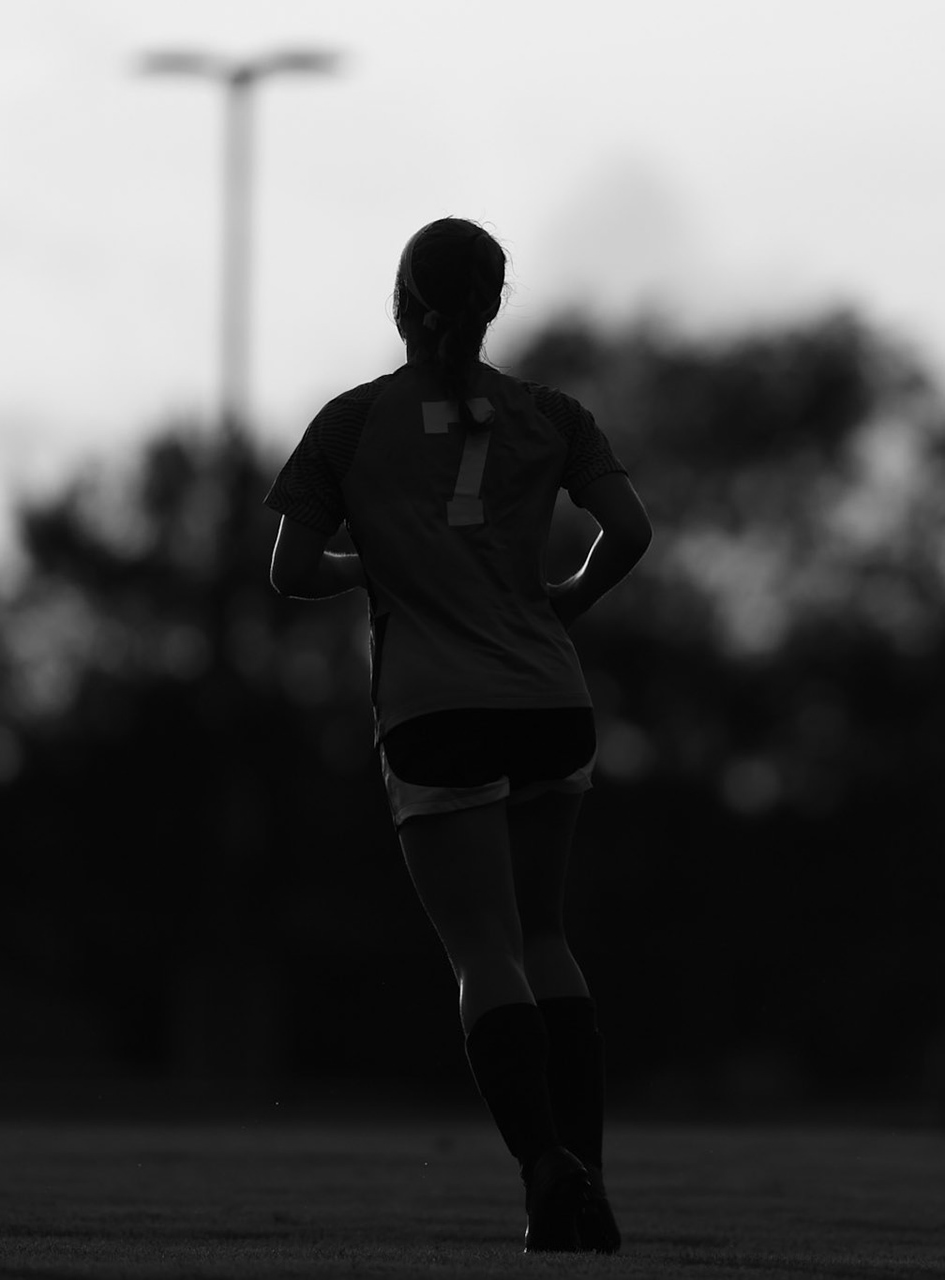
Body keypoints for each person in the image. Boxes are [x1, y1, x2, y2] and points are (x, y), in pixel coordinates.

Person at [264, 217, 651, 1253]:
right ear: (493, 304)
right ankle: (591, 1175)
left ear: (401, 304)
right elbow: (633, 532)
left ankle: (543, 1170)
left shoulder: (351, 422)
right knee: (544, 934)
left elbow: (290, 567)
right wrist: (563, 599)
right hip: (548, 693)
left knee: (482, 949)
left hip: (436, 705)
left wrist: (366, 568)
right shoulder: (551, 414)